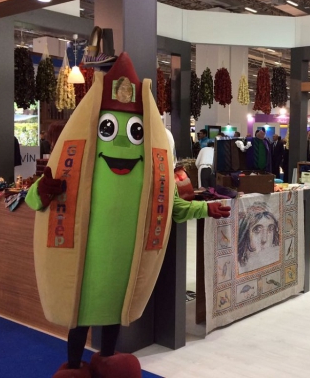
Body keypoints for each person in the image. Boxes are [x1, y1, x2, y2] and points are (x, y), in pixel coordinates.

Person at [25, 52, 231, 378]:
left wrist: (206, 207)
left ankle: (107, 357)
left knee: (113, 308)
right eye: (109, 128)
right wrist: (43, 190)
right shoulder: (77, 161)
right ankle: (75, 365)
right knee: (80, 314)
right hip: (86, 257)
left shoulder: (152, 171)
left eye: (135, 131)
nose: (122, 139)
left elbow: (172, 207)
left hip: (123, 259)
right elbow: (36, 200)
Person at [237, 201, 280, 274]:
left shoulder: (275, 258)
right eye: (257, 230)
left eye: (270, 229)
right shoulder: (239, 266)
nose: (264, 239)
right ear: (245, 234)